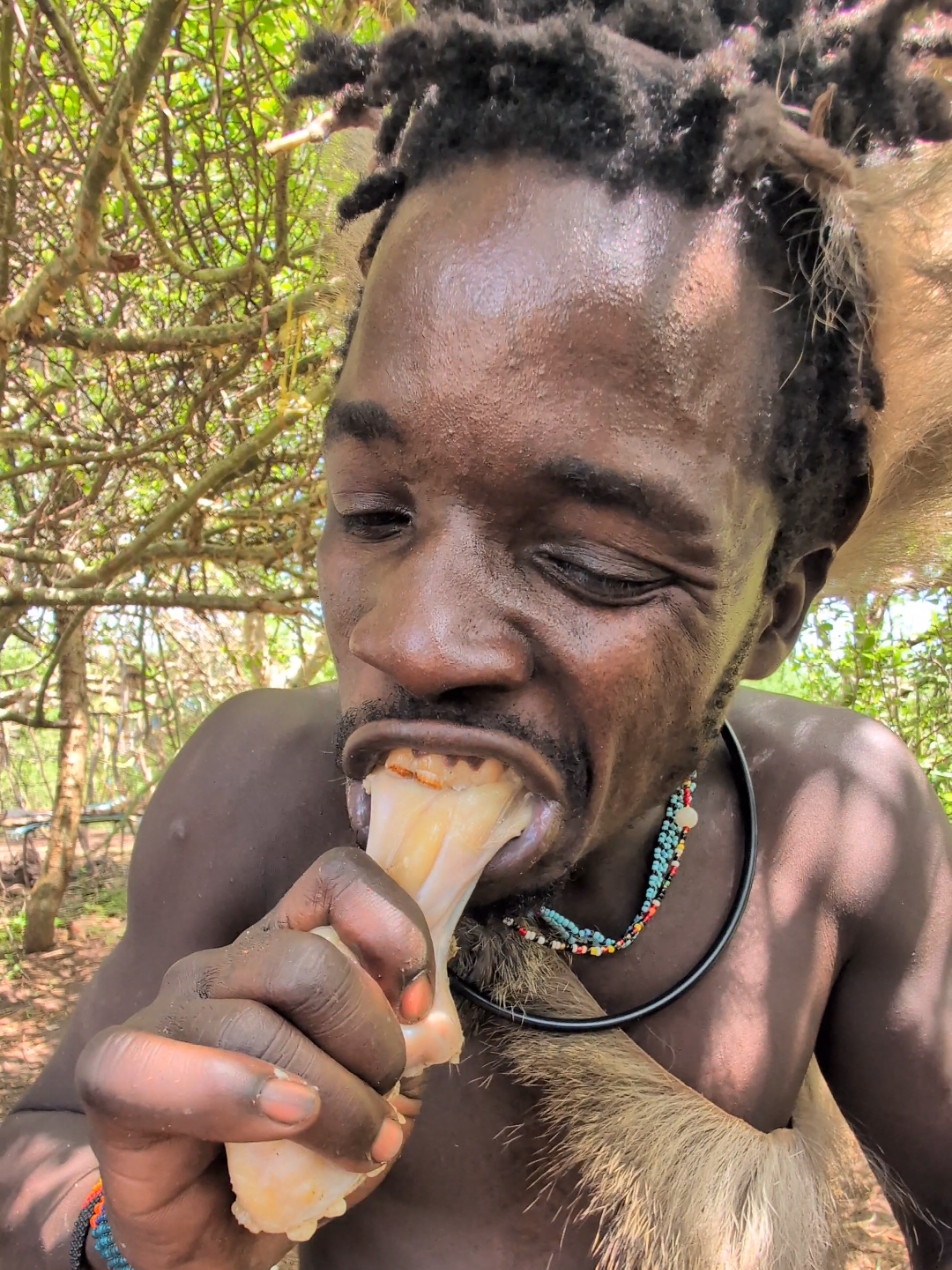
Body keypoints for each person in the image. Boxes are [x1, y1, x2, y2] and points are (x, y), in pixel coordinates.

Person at [2, 0, 952, 1265]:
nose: (421, 640)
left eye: (590, 560)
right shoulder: (244, 794)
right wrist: (122, 1235)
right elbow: (58, 1135)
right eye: (374, 512)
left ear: (770, 608)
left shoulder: (840, 838)